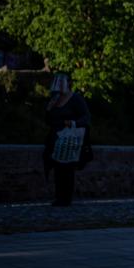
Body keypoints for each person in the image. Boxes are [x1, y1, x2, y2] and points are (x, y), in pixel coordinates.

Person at [41, 73, 93, 206]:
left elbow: (86, 117)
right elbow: (48, 120)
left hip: (70, 140)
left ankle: (66, 198)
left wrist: (72, 123)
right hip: (56, 140)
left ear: (68, 83)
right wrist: (49, 108)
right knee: (58, 168)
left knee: (68, 169)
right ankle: (59, 197)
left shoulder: (76, 99)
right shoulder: (54, 99)